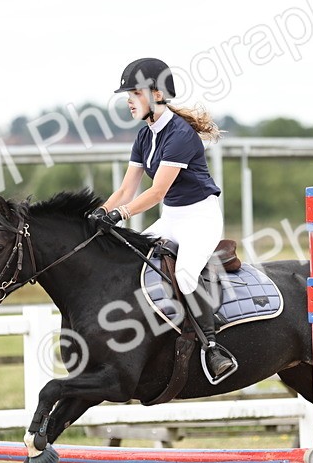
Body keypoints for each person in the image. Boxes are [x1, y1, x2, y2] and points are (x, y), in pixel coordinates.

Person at [89, 57, 237, 383]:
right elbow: (128, 188)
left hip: (199, 218)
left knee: (184, 276)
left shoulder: (180, 135)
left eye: (135, 93)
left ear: (156, 94)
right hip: (171, 217)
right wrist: (99, 213)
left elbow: (156, 192)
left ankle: (212, 347)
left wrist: (120, 214)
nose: (128, 100)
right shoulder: (145, 136)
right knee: (134, 261)